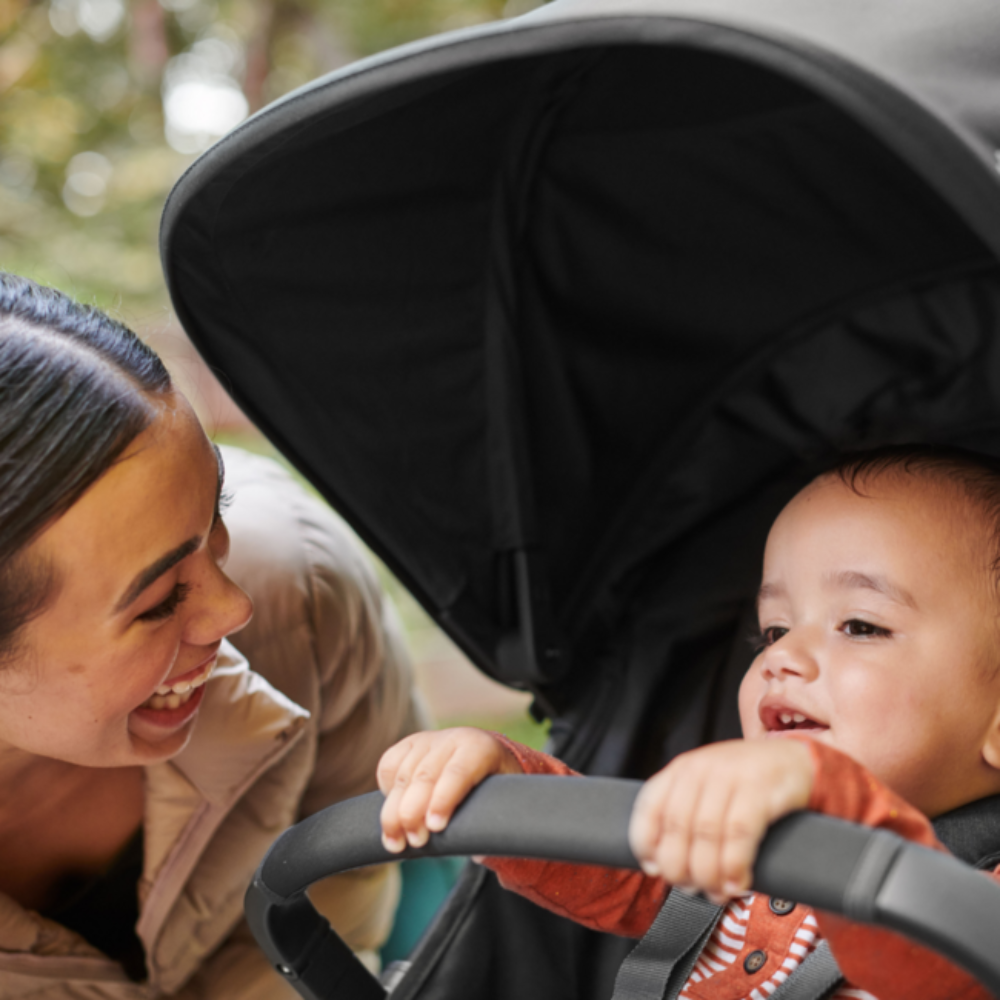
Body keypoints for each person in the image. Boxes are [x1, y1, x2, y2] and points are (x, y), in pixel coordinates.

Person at [377, 446, 1000, 1000]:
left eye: (861, 625)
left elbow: (950, 969)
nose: (779, 656)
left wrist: (842, 807)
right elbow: (621, 865)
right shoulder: (748, 838)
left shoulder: (984, 899)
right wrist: (509, 785)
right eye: (774, 630)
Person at [0, 273, 427, 998]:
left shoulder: (300, 587)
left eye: (215, 516)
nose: (234, 610)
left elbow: (347, 898)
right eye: (162, 600)